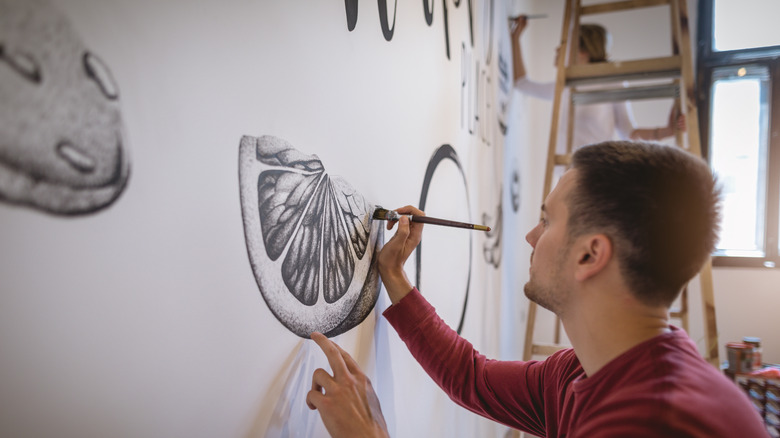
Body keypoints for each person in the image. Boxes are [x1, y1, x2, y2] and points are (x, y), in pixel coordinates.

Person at [306, 141, 769, 437]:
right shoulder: (584, 370)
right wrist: (395, 277)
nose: (531, 236)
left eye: (547, 220)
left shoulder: (654, 421)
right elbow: (472, 377)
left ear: (590, 254)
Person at [511, 15, 685, 150]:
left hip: (593, 175)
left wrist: (667, 131)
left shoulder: (612, 84)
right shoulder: (564, 87)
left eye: (565, 44)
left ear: (583, 51)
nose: (558, 49)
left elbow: (628, 132)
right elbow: (522, 84)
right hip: (565, 176)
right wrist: (515, 38)